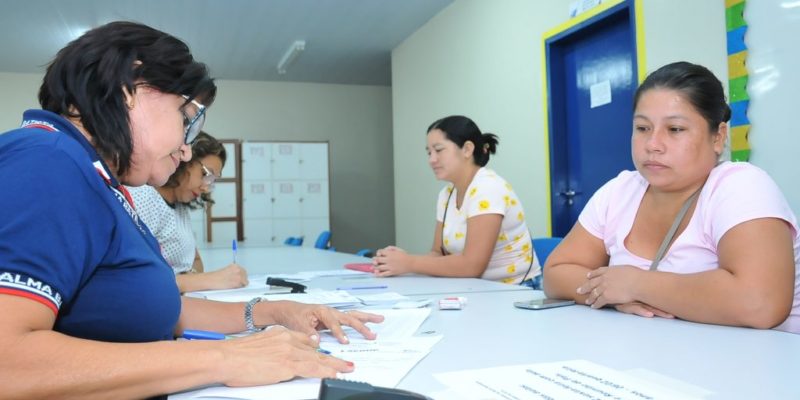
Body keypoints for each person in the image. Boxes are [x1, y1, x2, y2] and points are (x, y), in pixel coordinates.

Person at [0, 21, 382, 399]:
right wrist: (223, 358)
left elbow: (155, 308)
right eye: (185, 119)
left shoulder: (94, 177)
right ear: (130, 88)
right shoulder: (45, 161)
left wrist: (273, 311)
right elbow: (7, 362)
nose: (185, 150)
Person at [544, 61, 799, 333]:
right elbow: (556, 272)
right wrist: (612, 297)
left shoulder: (741, 186)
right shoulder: (619, 191)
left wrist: (635, 285)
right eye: (642, 128)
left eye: (675, 129)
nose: (653, 145)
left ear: (718, 136)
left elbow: (760, 303)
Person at [373, 115, 541, 287]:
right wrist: (401, 260)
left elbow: (472, 265)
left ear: (467, 149)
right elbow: (438, 253)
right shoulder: (446, 194)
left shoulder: (488, 188)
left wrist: (410, 263)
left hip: (516, 289)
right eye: (429, 152)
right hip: (477, 288)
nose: (432, 160)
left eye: (439, 150)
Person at [128, 131, 249, 293]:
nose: (206, 187)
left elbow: (195, 261)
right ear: (184, 159)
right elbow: (136, 279)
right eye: (206, 174)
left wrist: (190, 278)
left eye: (212, 181)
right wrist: (207, 279)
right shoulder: (144, 197)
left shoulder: (179, 206)